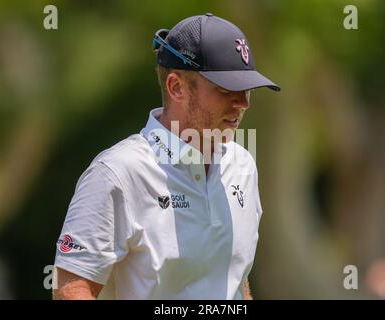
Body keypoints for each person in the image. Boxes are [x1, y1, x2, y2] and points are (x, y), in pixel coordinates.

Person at [53, 13, 280, 300]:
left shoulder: (243, 166)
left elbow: (235, 279)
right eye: (226, 89)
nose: (243, 103)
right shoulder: (117, 173)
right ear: (176, 87)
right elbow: (71, 289)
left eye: (247, 89)